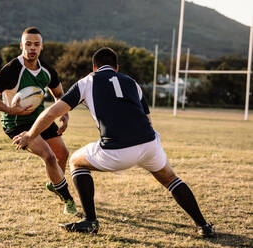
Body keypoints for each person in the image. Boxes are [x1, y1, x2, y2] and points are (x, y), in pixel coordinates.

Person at [12, 47, 216, 237]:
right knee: (171, 178)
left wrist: (29, 135)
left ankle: (90, 221)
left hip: (117, 150)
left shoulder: (87, 81)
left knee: (75, 161)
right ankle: (203, 225)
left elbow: (51, 112)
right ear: (117, 68)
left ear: (94, 67)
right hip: (149, 143)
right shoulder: (132, 82)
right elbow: (148, 119)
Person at [0, 27, 77, 215]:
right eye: (28, 44)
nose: (32, 48)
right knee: (49, 156)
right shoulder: (11, 70)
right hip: (16, 123)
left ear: (42, 47)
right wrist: (10, 109)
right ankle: (68, 199)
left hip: (40, 120)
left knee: (63, 154)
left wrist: (64, 114)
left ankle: (56, 182)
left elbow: (59, 94)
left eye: (36, 44)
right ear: (21, 46)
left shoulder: (47, 70)